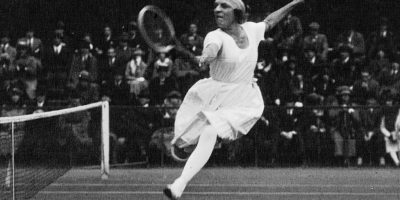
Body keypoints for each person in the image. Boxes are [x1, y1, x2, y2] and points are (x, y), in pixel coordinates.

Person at [163, 0, 305, 199]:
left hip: (244, 99)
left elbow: (271, 19)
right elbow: (211, 50)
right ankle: (183, 174)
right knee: (205, 134)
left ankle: (179, 183)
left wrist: (294, 3)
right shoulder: (214, 36)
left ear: (237, 11)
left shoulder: (252, 30)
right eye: (216, 5)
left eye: (224, 6)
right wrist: (205, 57)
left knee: (210, 131)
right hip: (215, 96)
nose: (217, 9)